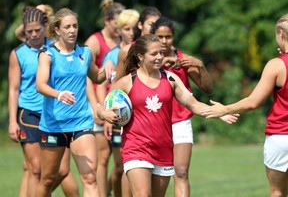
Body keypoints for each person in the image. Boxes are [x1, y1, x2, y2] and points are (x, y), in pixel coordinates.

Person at [100, 34, 238, 196]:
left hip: (163, 150)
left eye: (161, 53)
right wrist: (104, 114)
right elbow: (103, 107)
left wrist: (220, 111)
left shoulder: (170, 79)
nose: (159, 57)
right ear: (140, 56)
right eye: (154, 54)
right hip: (136, 148)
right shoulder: (127, 82)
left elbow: (194, 105)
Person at [201, 14, 288, 197]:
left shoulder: (276, 65)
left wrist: (223, 109)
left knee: (277, 192)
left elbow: (253, 102)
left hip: (281, 138)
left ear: (280, 33)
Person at [34, 8, 112, 197]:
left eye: (75, 26)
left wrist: (108, 66)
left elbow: (97, 77)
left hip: (81, 123)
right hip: (54, 125)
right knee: (48, 180)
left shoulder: (84, 53)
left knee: (90, 178)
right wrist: (58, 94)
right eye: (67, 27)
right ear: (57, 30)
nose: (72, 30)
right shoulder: (48, 54)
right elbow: (40, 85)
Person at [13, 5, 80, 197]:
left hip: (54, 114)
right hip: (30, 114)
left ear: (46, 27)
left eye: (38, 30)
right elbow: (14, 89)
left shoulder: (56, 48)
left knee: (61, 171)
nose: (33, 34)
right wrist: (12, 120)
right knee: (34, 169)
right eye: (29, 31)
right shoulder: (19, 52)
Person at [151, 16, 213, 197]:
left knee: (181, 172)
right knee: (156, 176)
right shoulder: (146, 60)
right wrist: (165, 62)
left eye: (168, 37)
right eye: (160, 37)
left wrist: (200, 65)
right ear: (153, 36)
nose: (164, 41)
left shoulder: (183, 60)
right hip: (154, 124)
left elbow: (208, 89)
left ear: (173, 37)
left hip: (180, 122)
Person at [85, 0, 125, 197]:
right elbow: (84, 76)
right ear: (107, 21)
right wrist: (96, 107)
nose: (121, 29)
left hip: (118, 103)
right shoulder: (94, 41)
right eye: (118, 24)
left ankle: (109, 190)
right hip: (98, 100)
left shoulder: (124, 41)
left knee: (121, 164)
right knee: (102, 158)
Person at [98, 9, 139, 197]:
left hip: (136, 114)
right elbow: (102, 85)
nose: (131, 32)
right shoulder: (113, 54)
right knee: (119, 166)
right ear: (120, 30)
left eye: (134, 28)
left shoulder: (141, 51)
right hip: (118, 114)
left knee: (128, 166)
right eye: (127, 28)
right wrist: (105, 113)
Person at [113, 6, 161, 82]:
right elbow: (116, 83)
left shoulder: (165, 49)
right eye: (151, 24)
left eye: (157, 25)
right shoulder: (126, 51)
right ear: (140, 25)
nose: (154, 28)